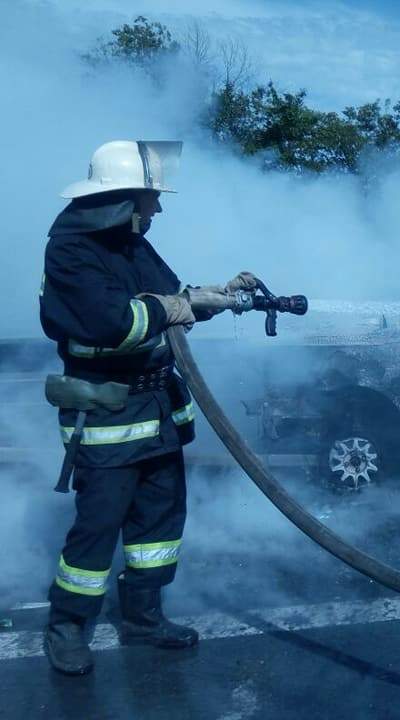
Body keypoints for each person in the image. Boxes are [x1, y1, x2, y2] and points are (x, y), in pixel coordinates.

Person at [39, 140, 257, 675]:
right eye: (149, 199)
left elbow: (169, 300)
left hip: (157, 412)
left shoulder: (130, 243)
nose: (156, 209)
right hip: (108, 415)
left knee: (158, 525)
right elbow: (118, 322)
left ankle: (143, 618)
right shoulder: (71, 251)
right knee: (98, 527)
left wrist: (215, 294)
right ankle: (67, 627)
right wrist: (174, 306)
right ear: (121, 198)